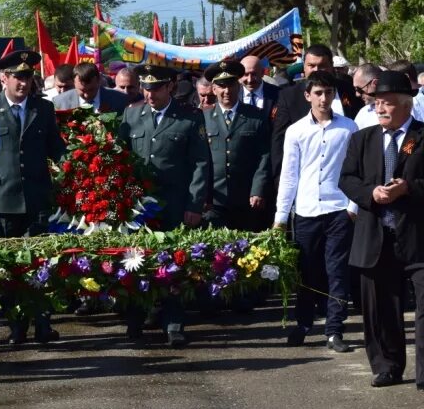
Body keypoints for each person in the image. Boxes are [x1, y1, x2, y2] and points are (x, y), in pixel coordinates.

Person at [339, 71, 424, 388]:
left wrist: (409, 189)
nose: (381, 109)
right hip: (375, 234)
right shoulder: (364, 139)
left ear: (405, 105)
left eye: (387, 104)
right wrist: (370, 194)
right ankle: (387, 366)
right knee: (380, 307)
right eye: (377, 104)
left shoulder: (419, 137)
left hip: (416, 236)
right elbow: (346, 179)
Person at [0, 51, 66, 345]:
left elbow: (56, 147)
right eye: (18, 77)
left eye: (28, 77)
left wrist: (78, 164)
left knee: (39, 264)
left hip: (37, 198)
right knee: (9, 267)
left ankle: (42, 323)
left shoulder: (44, 108)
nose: (24, 83)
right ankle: (16, 325)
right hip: (3, 199)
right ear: (4, 78)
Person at [119, 65, 209, 346]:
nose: (149, 93)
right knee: (133, 262)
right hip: (138, 208)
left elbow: (200, 165)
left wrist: (194, 204)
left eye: (155, 87)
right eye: (145, 88)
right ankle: (135, 320)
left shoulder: (190, 118)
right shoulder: (131, 115)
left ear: (170, 86)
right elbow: (122, 162)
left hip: (174, 205)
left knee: (172, 264)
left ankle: (173, 324)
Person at [274, 71, 357, 352]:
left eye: (328, 93)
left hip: (338, 209)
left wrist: (353, 206)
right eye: (318, 93)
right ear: (307, 95)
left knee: (336, 270)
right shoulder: (296, 131)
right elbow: (289, 175)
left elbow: (355, 170)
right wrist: (280, 218)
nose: (324, 99)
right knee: (307, 270)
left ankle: (334, 330)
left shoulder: (348, 128)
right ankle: (304, 323)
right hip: (307, 210)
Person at [271, 44, 363, 180]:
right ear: (304, 67)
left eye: (322, 65)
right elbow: (279, 142)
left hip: (348, 177)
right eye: (311, 66)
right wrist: (279, 181)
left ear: (332, 66)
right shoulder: (289, 96)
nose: (316, 70)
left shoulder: (350, 90)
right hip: (307, 180)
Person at [201, 61, 271, 231]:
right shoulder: (203, 117)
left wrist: (258, 189)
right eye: (221, 86)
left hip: (246, 199)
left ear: (238, 85)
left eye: (231, 84)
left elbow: (264, 155)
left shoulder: (256, 116)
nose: (227, 91)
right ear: (214, 88)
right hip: (214, 200)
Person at [52, 62, 127, 114]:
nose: (87, 95)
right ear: (74, 82)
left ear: (99, 81)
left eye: (91, 89)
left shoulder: (119, 99)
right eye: (82, 90)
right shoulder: (60, 102)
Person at [352, 64, 382, 129]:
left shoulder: (402, 107)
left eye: (359, 89)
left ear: (375, 83)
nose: (357, 94)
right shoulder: (363, 113)